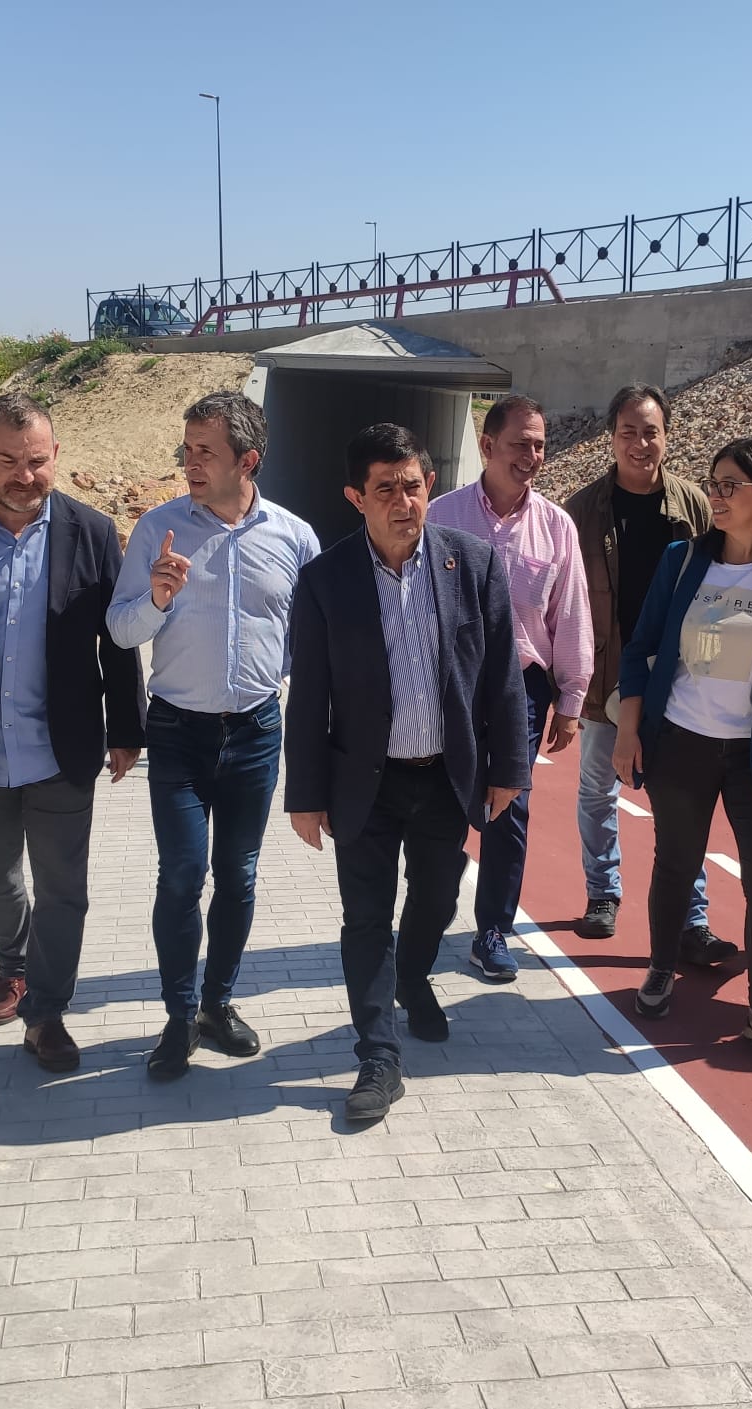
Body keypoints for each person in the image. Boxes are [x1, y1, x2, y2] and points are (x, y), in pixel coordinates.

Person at [286, 423, 530, 1122]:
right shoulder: (325, 580)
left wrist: (510, 766)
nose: (403, 502)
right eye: (385, 489)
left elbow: (502, 678)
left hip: (447, 776)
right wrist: (304, 795)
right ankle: (378, 1056)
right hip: (363, 780)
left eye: (414, 486)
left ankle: (415, 977)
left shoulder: (473, 564)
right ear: (356, 498)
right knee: (365, 918)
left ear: (430, 486)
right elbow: (310, 696)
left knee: (435, 897)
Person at [0, 392, 145, 1073]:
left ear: (56, 457)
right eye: (8, 460)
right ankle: (12, 964)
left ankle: (45, 1012)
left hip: (61, 747)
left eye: (37, 461)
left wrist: (126, 728)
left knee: (64, 889)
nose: (24, 475)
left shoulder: (93, 531)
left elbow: (119, 640)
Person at [108, 391, 320, 1080]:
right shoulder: (157, 531)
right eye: (187, 448)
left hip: (256, 731)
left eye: (206, 452)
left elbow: (305, 643)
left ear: (247, 460)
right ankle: (177, 1018)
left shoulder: (294, 538)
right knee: (179, 875)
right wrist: (157, 598)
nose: (190, 463)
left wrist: (273, 685)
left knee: (238, 875)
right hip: (175, 731)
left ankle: (217, 1006)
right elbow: (120, 630)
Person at [612, 439, 752, 1065]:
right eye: (713, 483)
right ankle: (660, 967)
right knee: (676, 863)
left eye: (731, 485)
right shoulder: (682, 561)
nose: (717, 495)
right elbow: (639, 647)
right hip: (681, 743)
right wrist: (628, 731)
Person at [563, 385, 734, 967]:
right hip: (605, 677)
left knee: (681, 803)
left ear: (668, 435)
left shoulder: (695, 509)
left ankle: (693, 920)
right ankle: (603, 894)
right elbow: (565, 602)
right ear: (611, 437)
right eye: (629, 432)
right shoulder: (581, 511)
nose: (641, 443)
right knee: (596, 791)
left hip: (678, 684)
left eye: (651, 431)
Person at [428, 394, 592, 981]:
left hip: (522, 689)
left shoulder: (556, 527)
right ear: (487, 446)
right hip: (451, 685)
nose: (531, 455)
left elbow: (570, 616)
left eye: (540, 444)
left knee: (509, 809)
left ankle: (493, 928)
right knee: (444, 802)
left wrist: (571, 700)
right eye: (520, 443)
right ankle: (434, 900)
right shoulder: (441, 517)